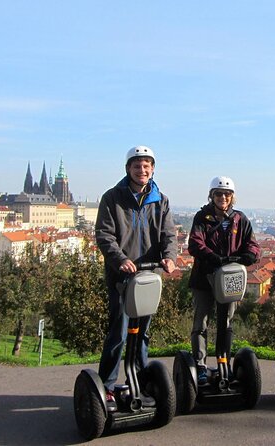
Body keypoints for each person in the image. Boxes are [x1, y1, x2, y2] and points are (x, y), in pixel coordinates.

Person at [95, 145, 177, 407]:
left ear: (152, 169)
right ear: (128, 169)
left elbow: (169, 235)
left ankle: (139, 382)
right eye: (136, 166)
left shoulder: (160, 200)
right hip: (122, 276)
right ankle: (107, 385)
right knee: (119, 332)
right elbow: (104, 235)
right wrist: (121, 260)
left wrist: (170, 257)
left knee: (142, 333)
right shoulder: (112, 198)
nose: (141, 170)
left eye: (146, 166)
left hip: (149, 277)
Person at [188, 176, 260, 384]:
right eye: (218, 194)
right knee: (201, 322)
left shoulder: (239, 219)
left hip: (230, 278)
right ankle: (200, 364)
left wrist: (249, 255)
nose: (222, 197)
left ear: (232, 197)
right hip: (205, 277)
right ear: (211, 196)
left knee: (226, 322)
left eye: (226, 194)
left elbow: (253, 244)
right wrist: (212, 257)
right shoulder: (202, 218)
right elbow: (195, 243)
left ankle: (223, 361)